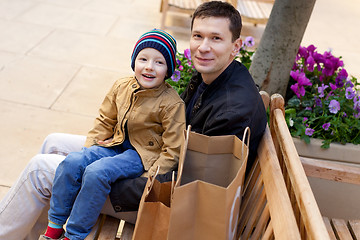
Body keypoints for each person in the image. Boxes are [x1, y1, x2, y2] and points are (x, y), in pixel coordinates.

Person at [0, 1, 267, 239]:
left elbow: (190, 188)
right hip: (151, 156)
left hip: (162, 197)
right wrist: (107, 147)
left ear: (236, 46)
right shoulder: (214, 76)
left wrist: (104, 172)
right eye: (198, 35)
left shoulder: (232, 111)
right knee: (53, 143)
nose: (203, 47)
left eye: (216, 38)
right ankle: (37, 233)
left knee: (40, 170)